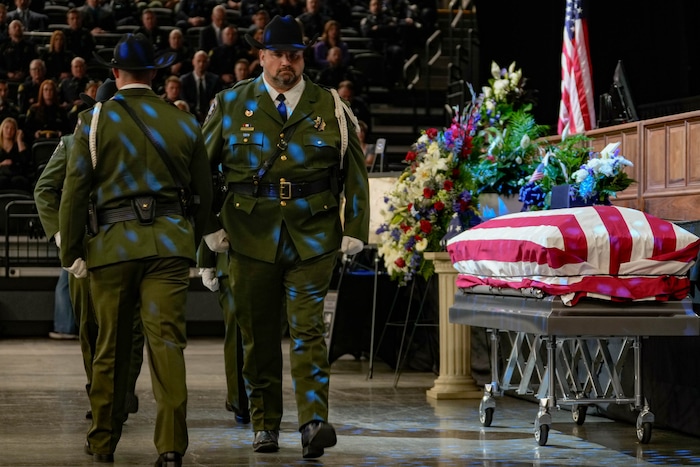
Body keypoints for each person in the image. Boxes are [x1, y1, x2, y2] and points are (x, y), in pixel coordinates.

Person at [201, 15, 369, 458]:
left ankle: (313, 422)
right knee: (257, 334)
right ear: (261, 57)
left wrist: (354, 228)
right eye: (277, 55)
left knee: (308, 330)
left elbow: (354, 169)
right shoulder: (233, 103)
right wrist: (208, 231)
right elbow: (201, 172)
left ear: (303, 57)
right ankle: (265, 424)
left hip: (312, 233)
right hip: (248, 233)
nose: (285, 64)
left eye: (294, 55)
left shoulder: (329, 105)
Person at [58, 33, 213, 466]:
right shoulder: (183, 121)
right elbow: (204, 194)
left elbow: (73, 192)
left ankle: (103, 440)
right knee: (167, 346)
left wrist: (72, 251)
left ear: (114, 73)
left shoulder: (93, 120)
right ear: (155, 73)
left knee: (109, 346)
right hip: (169, 245)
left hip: (111, 247)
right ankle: (170, 448)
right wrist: (187, 236)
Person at [34, 80, 144, 424]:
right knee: (91, 327)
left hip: (130, 246)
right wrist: (62, 237)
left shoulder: (140, 145)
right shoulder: (70, 143)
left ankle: (122, 392)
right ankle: (100, 394)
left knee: (133, 327)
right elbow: (44, 190)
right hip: (86, 249)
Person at [23, 79, 71, 146]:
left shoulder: (61, 110)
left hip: (57, 143)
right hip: (38, 141)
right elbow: (27, 129)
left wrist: (61, 133)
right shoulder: (33, 109)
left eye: (51, 90)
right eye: (46, 90)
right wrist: (34, 133)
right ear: (41, 92)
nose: (48, 92)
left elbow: (68, 128)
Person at [179, 50, 222, 124]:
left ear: (208, 63)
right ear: (193, 62)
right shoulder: (184, 80)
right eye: (198, 61)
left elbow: (217, 98)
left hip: (210, 115)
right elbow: (184, 100)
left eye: (204, 61)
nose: (201, 64)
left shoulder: (215, 80)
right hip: (190, 115)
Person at [0, 116, 31, 192]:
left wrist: (19, 140)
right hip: (1, 174)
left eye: (12, 128)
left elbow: (25, 161)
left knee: (18, 181)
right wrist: (1, 163)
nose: (9, 130)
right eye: (6, 127)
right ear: (2, 129)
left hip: (17, 174)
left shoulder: (21, 145)